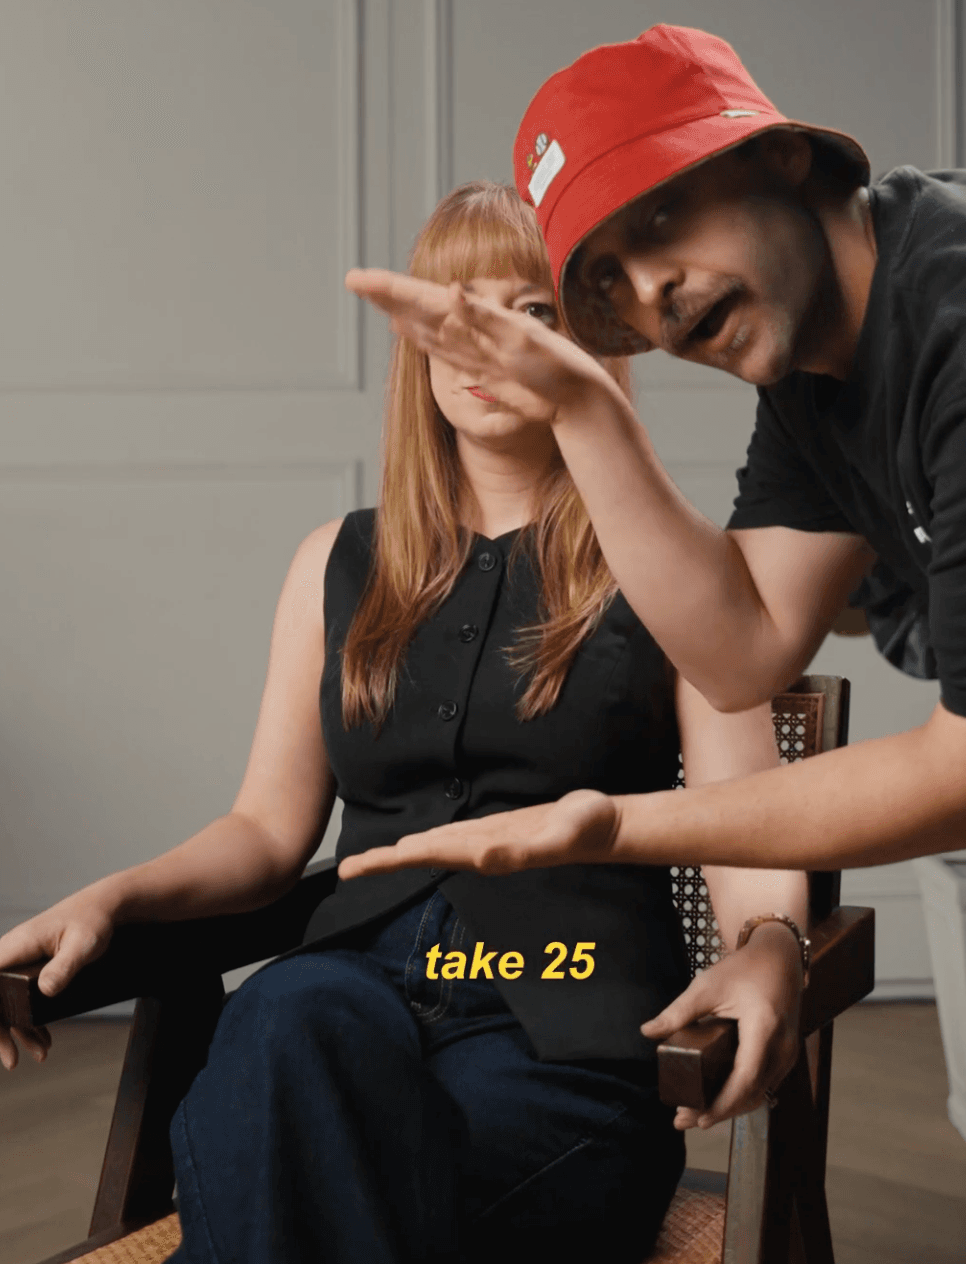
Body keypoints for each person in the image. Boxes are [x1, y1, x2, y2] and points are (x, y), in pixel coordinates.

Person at [0, 180, 809, 1264]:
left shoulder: (673, 571)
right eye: (455, 309)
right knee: (286, 1025)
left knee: (293, 1178)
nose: (483, 342)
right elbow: (266, 832)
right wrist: (112, 896)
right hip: (353, 985)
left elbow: (748, 822)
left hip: (565, 1022)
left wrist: (773, 945)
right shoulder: (333, 564)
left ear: (588, 344)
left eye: (529, 311)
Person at [339, 25, 966, 900]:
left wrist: (620, 826)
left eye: (661, 215)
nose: (649, 290)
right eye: (608, 280)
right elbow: (744, 655)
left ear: (782, 156)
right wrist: (583, 410)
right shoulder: (815, 355)